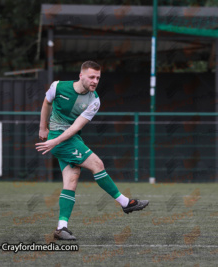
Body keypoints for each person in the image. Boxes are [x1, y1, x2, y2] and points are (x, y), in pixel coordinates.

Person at [35, 61, 149, 241]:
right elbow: (47, 102)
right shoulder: (58, 87)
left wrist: (54, 141)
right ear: (81, 76)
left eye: (98, 78)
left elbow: (75, 127)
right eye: (91, 77)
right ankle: (125, 203)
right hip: (59, 139)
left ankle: (61, 228)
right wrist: (43, 128)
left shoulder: (94, 101)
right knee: (97, 164)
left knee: (71, 180)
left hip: (68, 138)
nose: (95, 81)